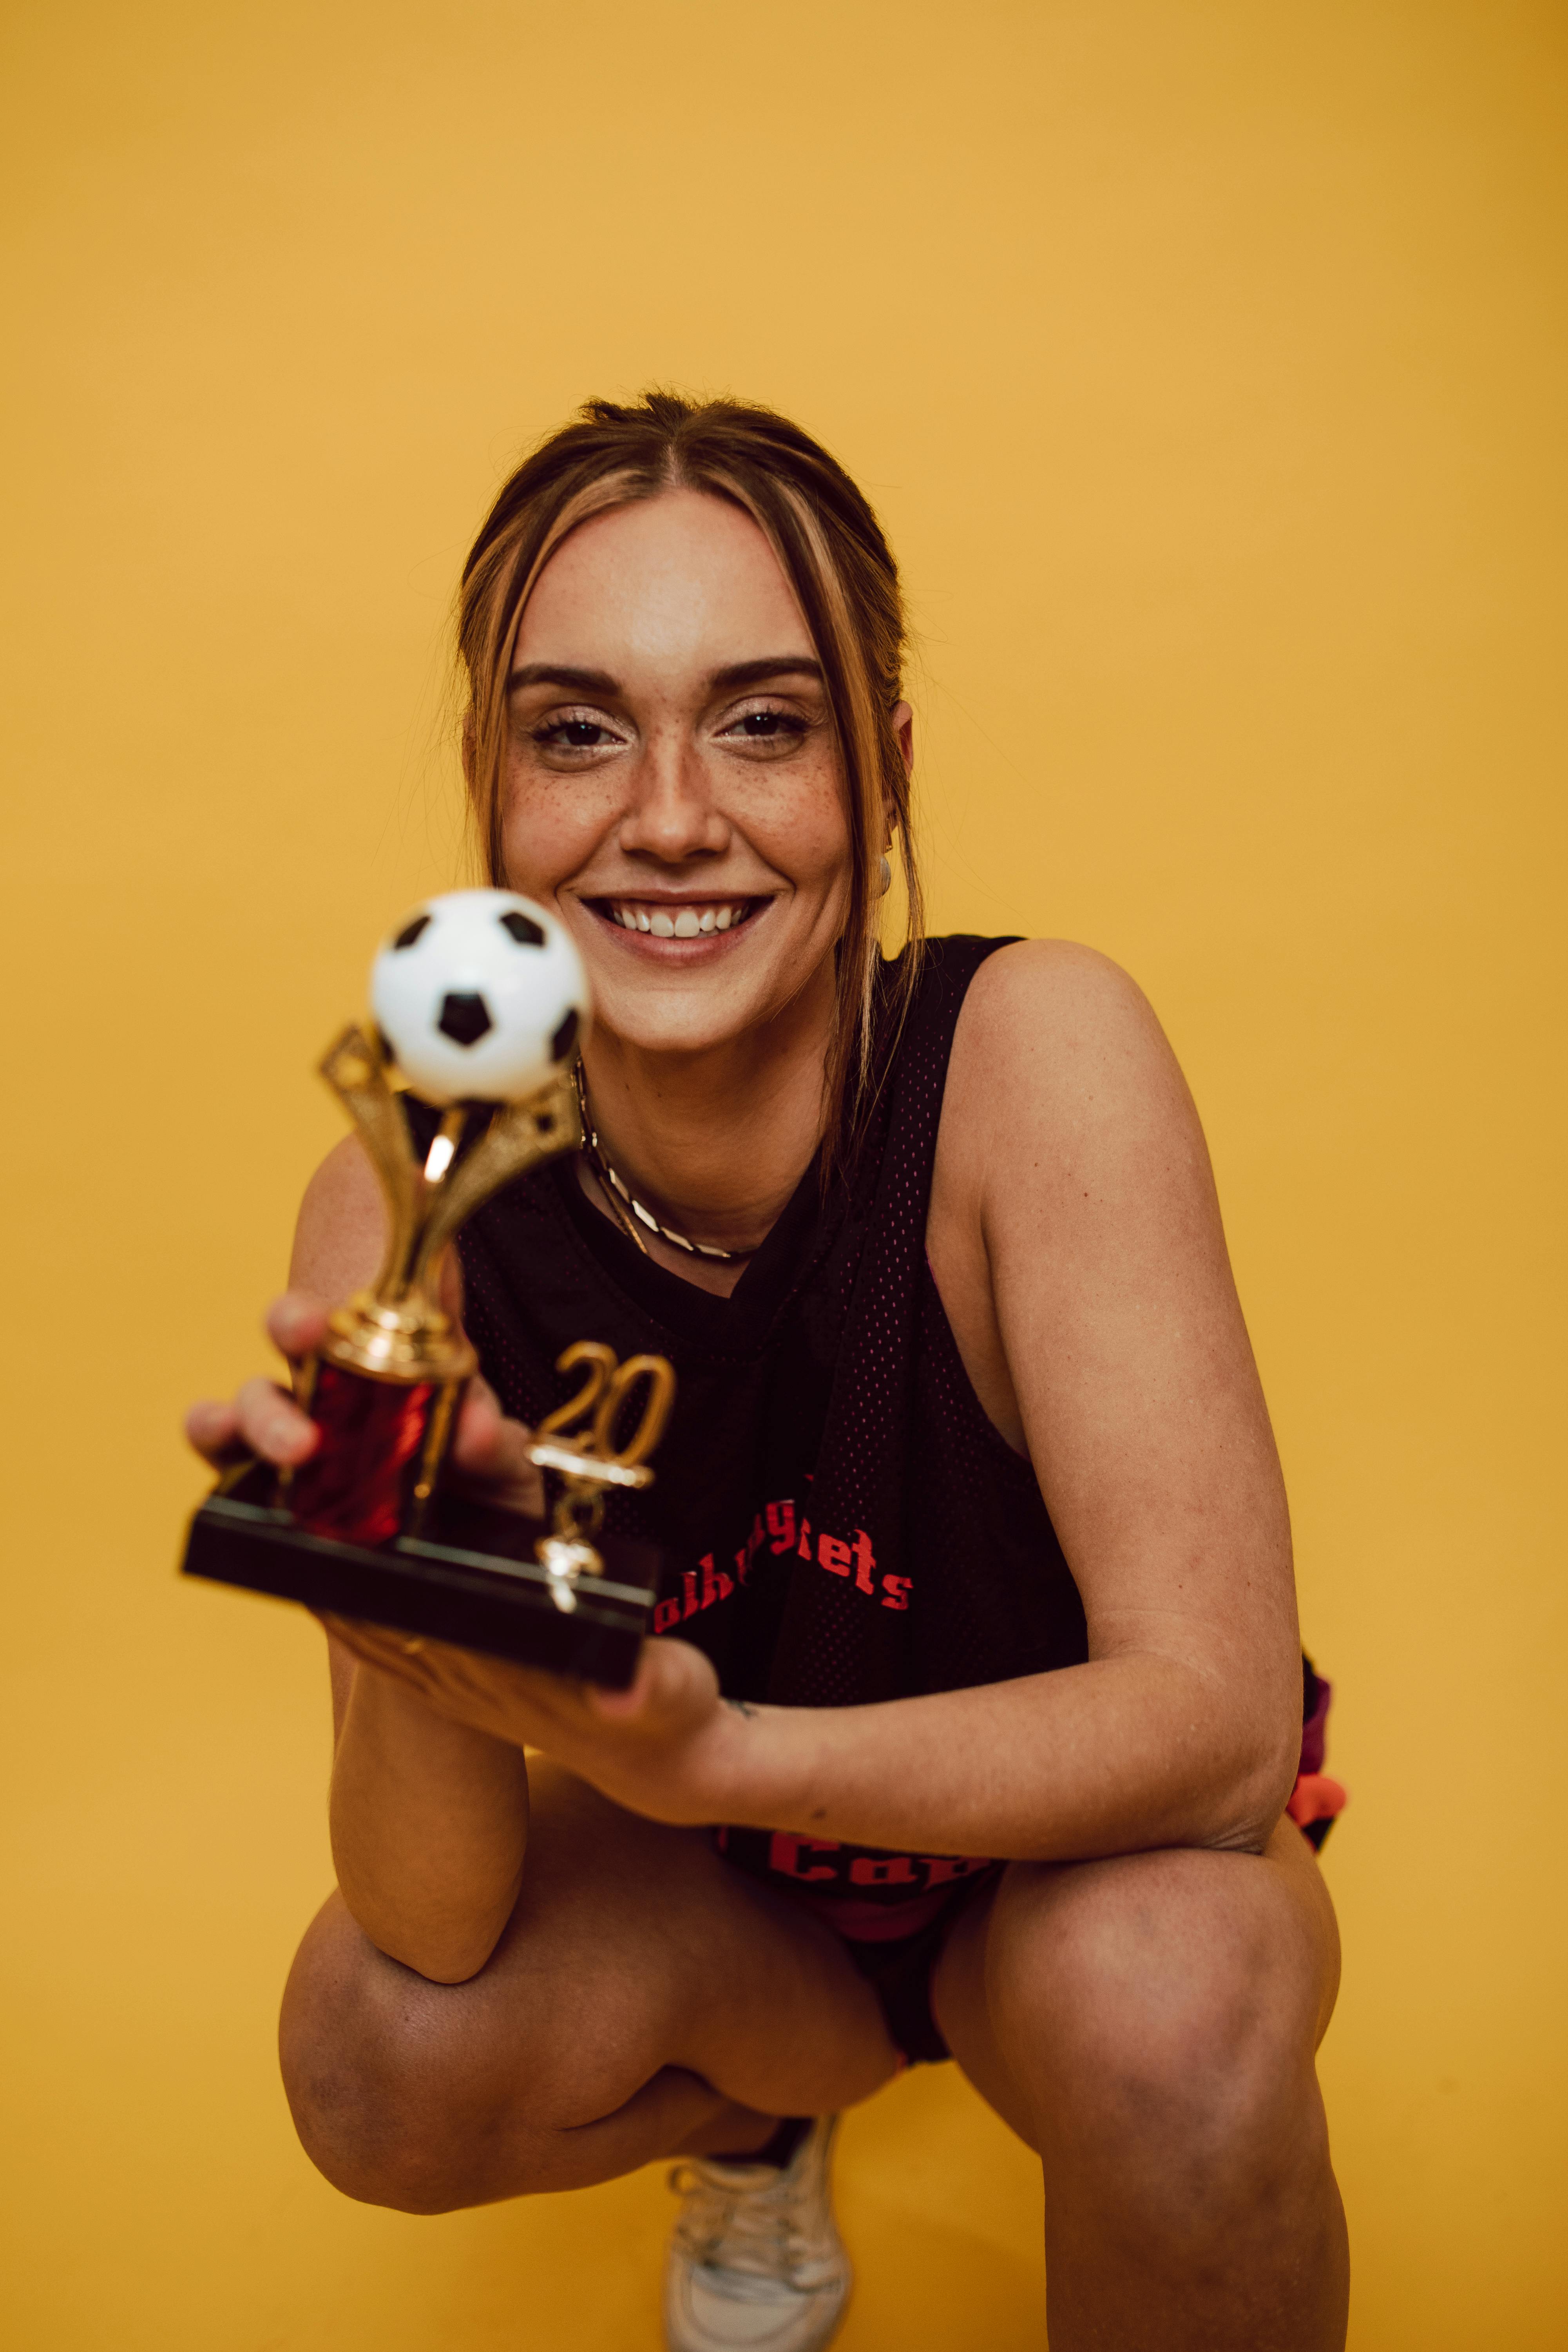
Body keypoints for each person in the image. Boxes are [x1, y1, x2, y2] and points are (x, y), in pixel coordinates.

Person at [186, 393, 1349, 2352]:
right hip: (740, 1922)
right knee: (371, 2046)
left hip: (1061, 1884)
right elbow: (437, 1924)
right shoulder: (412, 1198)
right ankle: (764, 2127)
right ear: (489, 777)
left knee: (1173, 2006)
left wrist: (722, 1749)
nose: (664, 815)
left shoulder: (1028, 1058)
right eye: (576, 729)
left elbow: (1220, 1729)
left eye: (760, 720)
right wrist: (408, 1619)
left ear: (879, 771)